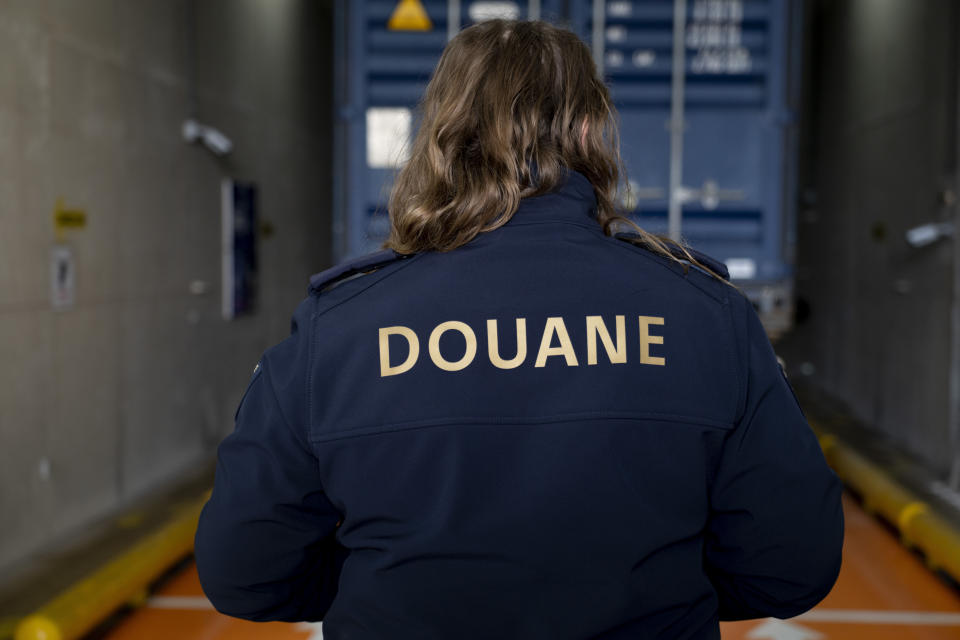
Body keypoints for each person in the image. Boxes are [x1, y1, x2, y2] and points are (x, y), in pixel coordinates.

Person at [195, 19, 844, 639]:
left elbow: (244, 571)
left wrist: (382, 587)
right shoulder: (707, 316)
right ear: (591, 129)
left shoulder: (339, 329)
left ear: (440, 134)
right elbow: (791, 564)